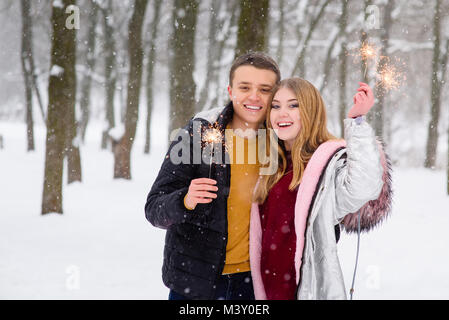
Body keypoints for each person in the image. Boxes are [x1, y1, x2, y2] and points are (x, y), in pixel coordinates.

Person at [145, 52, 281, 300]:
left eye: (265, 89)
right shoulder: (199, 132)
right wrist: (185, 199)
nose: (254, 96)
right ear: (231, 90)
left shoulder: (283, 143)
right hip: (196, 283)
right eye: (245, 87)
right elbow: (154, 208)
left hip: (255, 283)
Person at [250, 78, 392, 300]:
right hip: (267, 291)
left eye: (293, 105)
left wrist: (357, 122)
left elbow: (364, 186)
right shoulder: (271, 166)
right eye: (275, 106)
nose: (281, 113)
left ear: (311, 111)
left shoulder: (327, 165)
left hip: (307, 291)